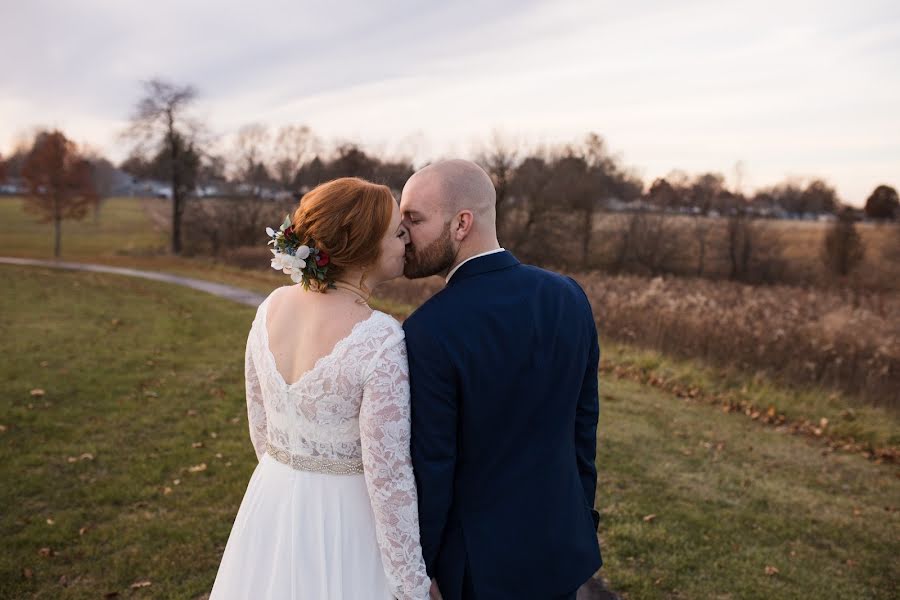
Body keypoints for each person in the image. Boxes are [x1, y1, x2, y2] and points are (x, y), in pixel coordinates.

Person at [210, 177, 431, 600]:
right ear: (363, 248)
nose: (405, 240)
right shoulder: (380, 338)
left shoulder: (271, 306)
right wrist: (411, 585)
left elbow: (260, 425)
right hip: (345, 521)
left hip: (272, 498)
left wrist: (291, 486)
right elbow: (389, 477)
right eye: (395, 233)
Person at [400, 160, 603, 600]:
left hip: (477, 571)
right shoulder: (569, 295)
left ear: (461, 224)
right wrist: (580, 519)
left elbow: (433, 467)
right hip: (560, 550)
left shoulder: (426, 332)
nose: (402, 235)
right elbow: (583, 431)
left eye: (413, 219)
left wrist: (425, 568)